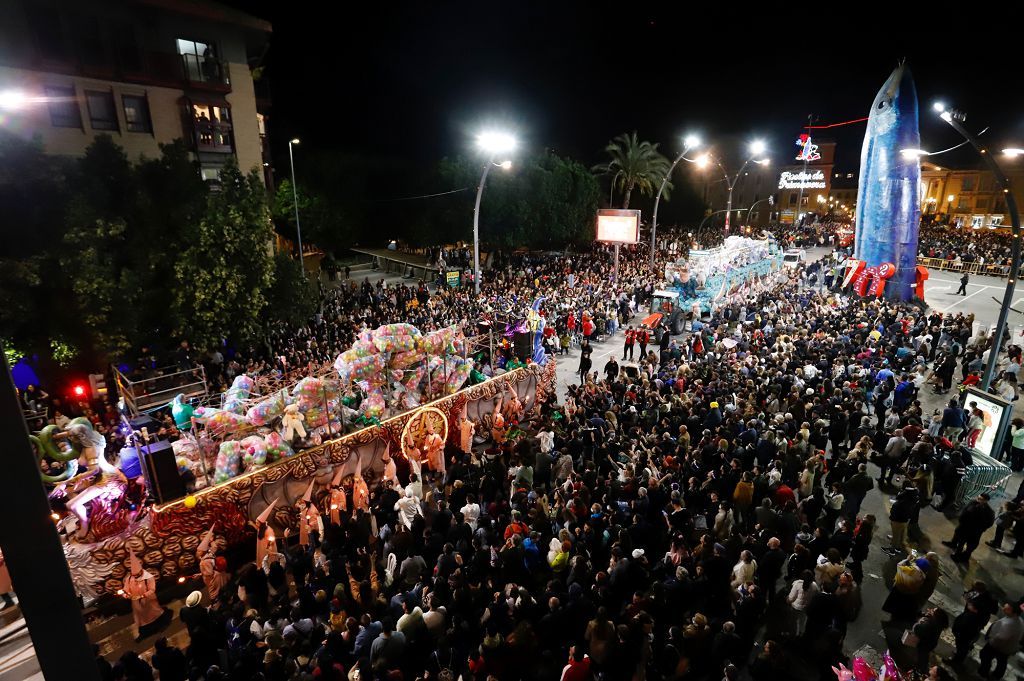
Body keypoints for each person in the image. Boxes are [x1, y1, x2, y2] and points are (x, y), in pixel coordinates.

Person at [942, 492, 995, 563]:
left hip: (974, 530)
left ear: (986, 501)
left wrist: (981, 529)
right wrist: (961, 518)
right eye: (978, 497)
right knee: (958, 535)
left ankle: (963, 556)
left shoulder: (989, 511)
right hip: (964, 525)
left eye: (981, 499)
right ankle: (953, 544)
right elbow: (965, 510)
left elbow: (989, 523)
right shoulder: (973, 502)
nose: (978, 499)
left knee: (969, 543)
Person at [978, 602, 1024, 679]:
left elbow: (1001, 638)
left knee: (985, 655)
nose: (1003, 609)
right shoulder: (1019, 620)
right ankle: (997, 675)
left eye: (1006, 608)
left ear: (1012, 611)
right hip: (1009, 647)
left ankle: (983, 672)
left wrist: (991, 642)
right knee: (1002, 661)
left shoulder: (1010, 624)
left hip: (998, 646)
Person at [787, 568, 818, 637]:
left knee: (794, 621)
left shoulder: (797, 584)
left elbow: (791, 598)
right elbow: (815, 596)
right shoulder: (814, 586)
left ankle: (793, 635)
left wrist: (788, 600)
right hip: (806, 607)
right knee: (802, 621)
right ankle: (801, 634)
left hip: (796, 607)